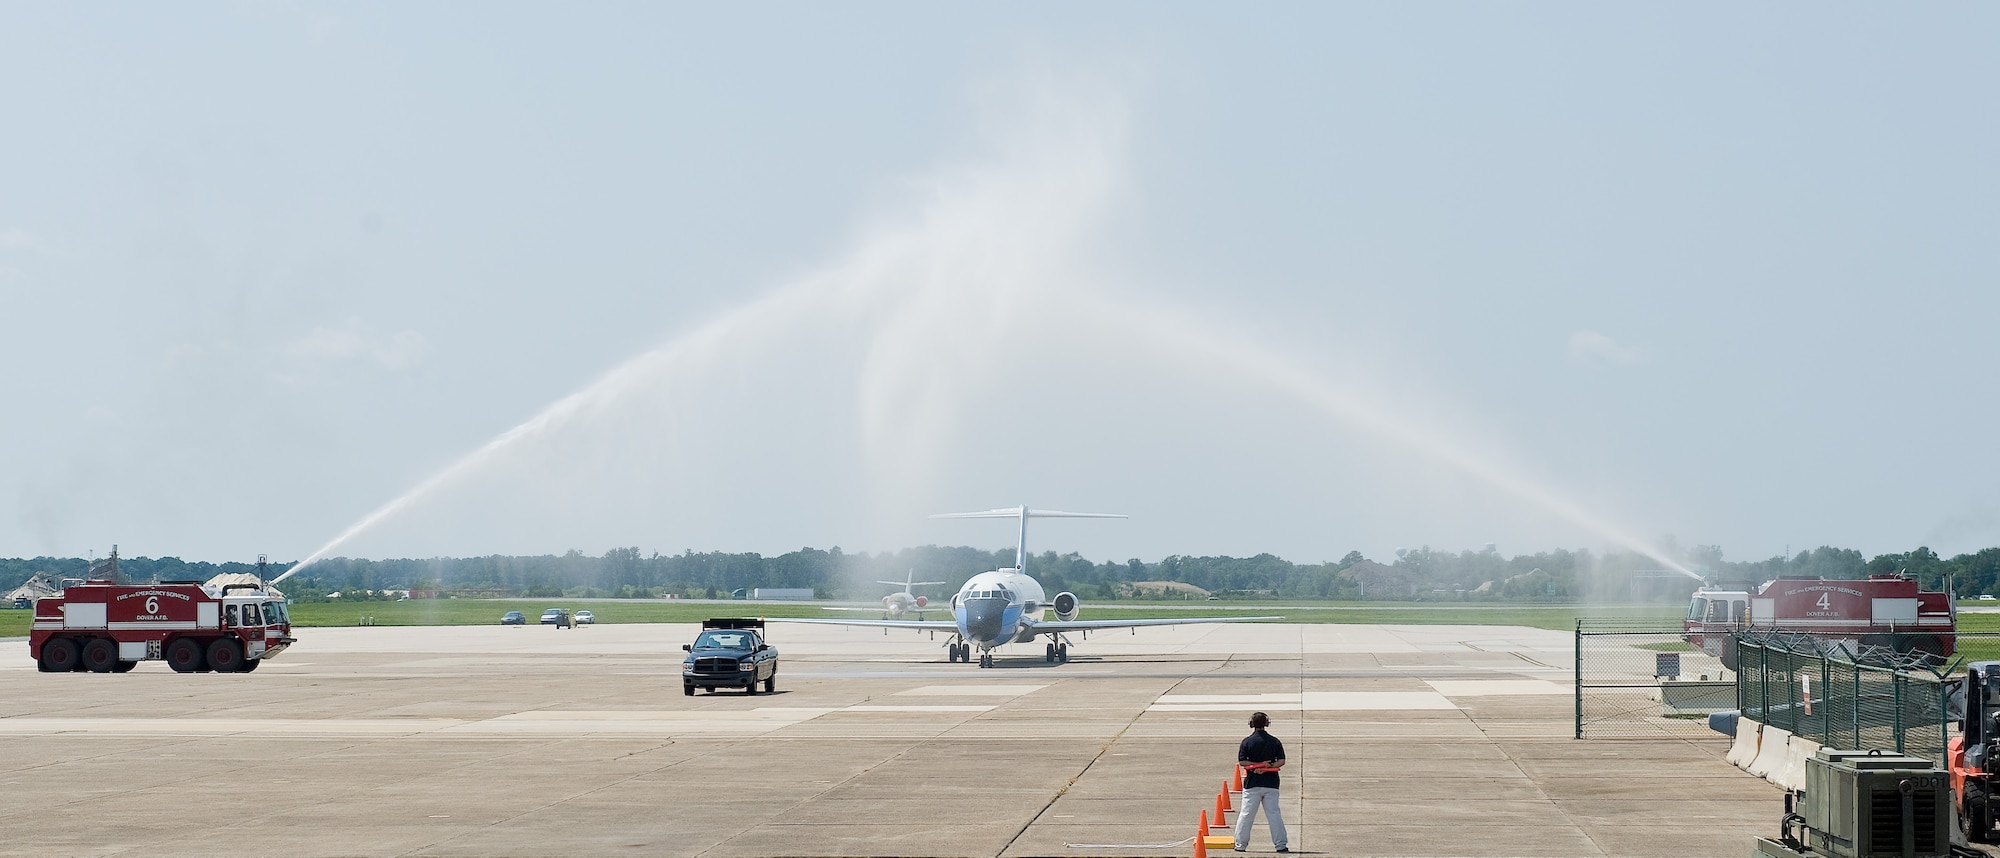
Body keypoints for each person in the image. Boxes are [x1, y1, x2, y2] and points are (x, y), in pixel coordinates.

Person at [1234, 711, 1288, 853]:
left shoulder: (1247, 742)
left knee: (1246, 815)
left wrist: (1255, 766)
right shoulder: (1274, 741)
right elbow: (1281, 761)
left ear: (1251, 724)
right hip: (1271, 784)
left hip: (1252, 784)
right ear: (1266, 723)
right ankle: (1280, 845)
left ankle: (1240, 845)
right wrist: (1268, 766)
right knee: (1274, 815)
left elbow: (1242, 761)